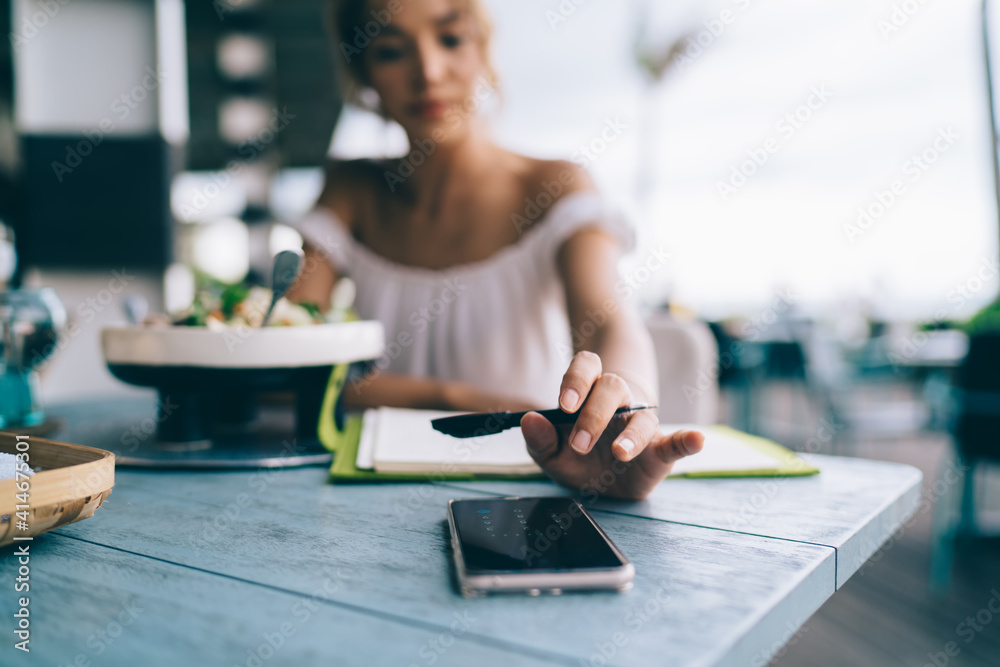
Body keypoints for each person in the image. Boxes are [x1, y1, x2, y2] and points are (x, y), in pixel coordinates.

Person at [287, 0, 703, 499]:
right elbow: (289, 360)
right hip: (368, 495)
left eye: (450, 39)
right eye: (391, 49)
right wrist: (463, 398)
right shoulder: (351, 189)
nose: (429, 72)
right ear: (363, 69)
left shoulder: (556, 186)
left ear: (483, 46)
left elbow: (608, 322)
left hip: (528, 490)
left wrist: (628, 392)